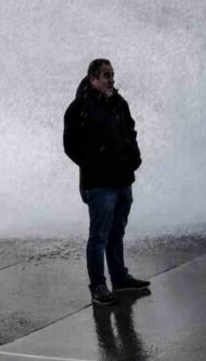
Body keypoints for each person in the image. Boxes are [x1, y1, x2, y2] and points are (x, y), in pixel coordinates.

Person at [63, 58, 151, 307]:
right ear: (93, 79)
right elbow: (70, 146)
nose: (111, 79)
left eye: (112, 74)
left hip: (123, 180)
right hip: (99, 184)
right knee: (99, 236)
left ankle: (120, 278)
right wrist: (95, 164)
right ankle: (98, 286)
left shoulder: (119, 103)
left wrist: (134, 157)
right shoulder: (79, 108)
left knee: (117, 232)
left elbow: (130, 131)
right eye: (106, 75)